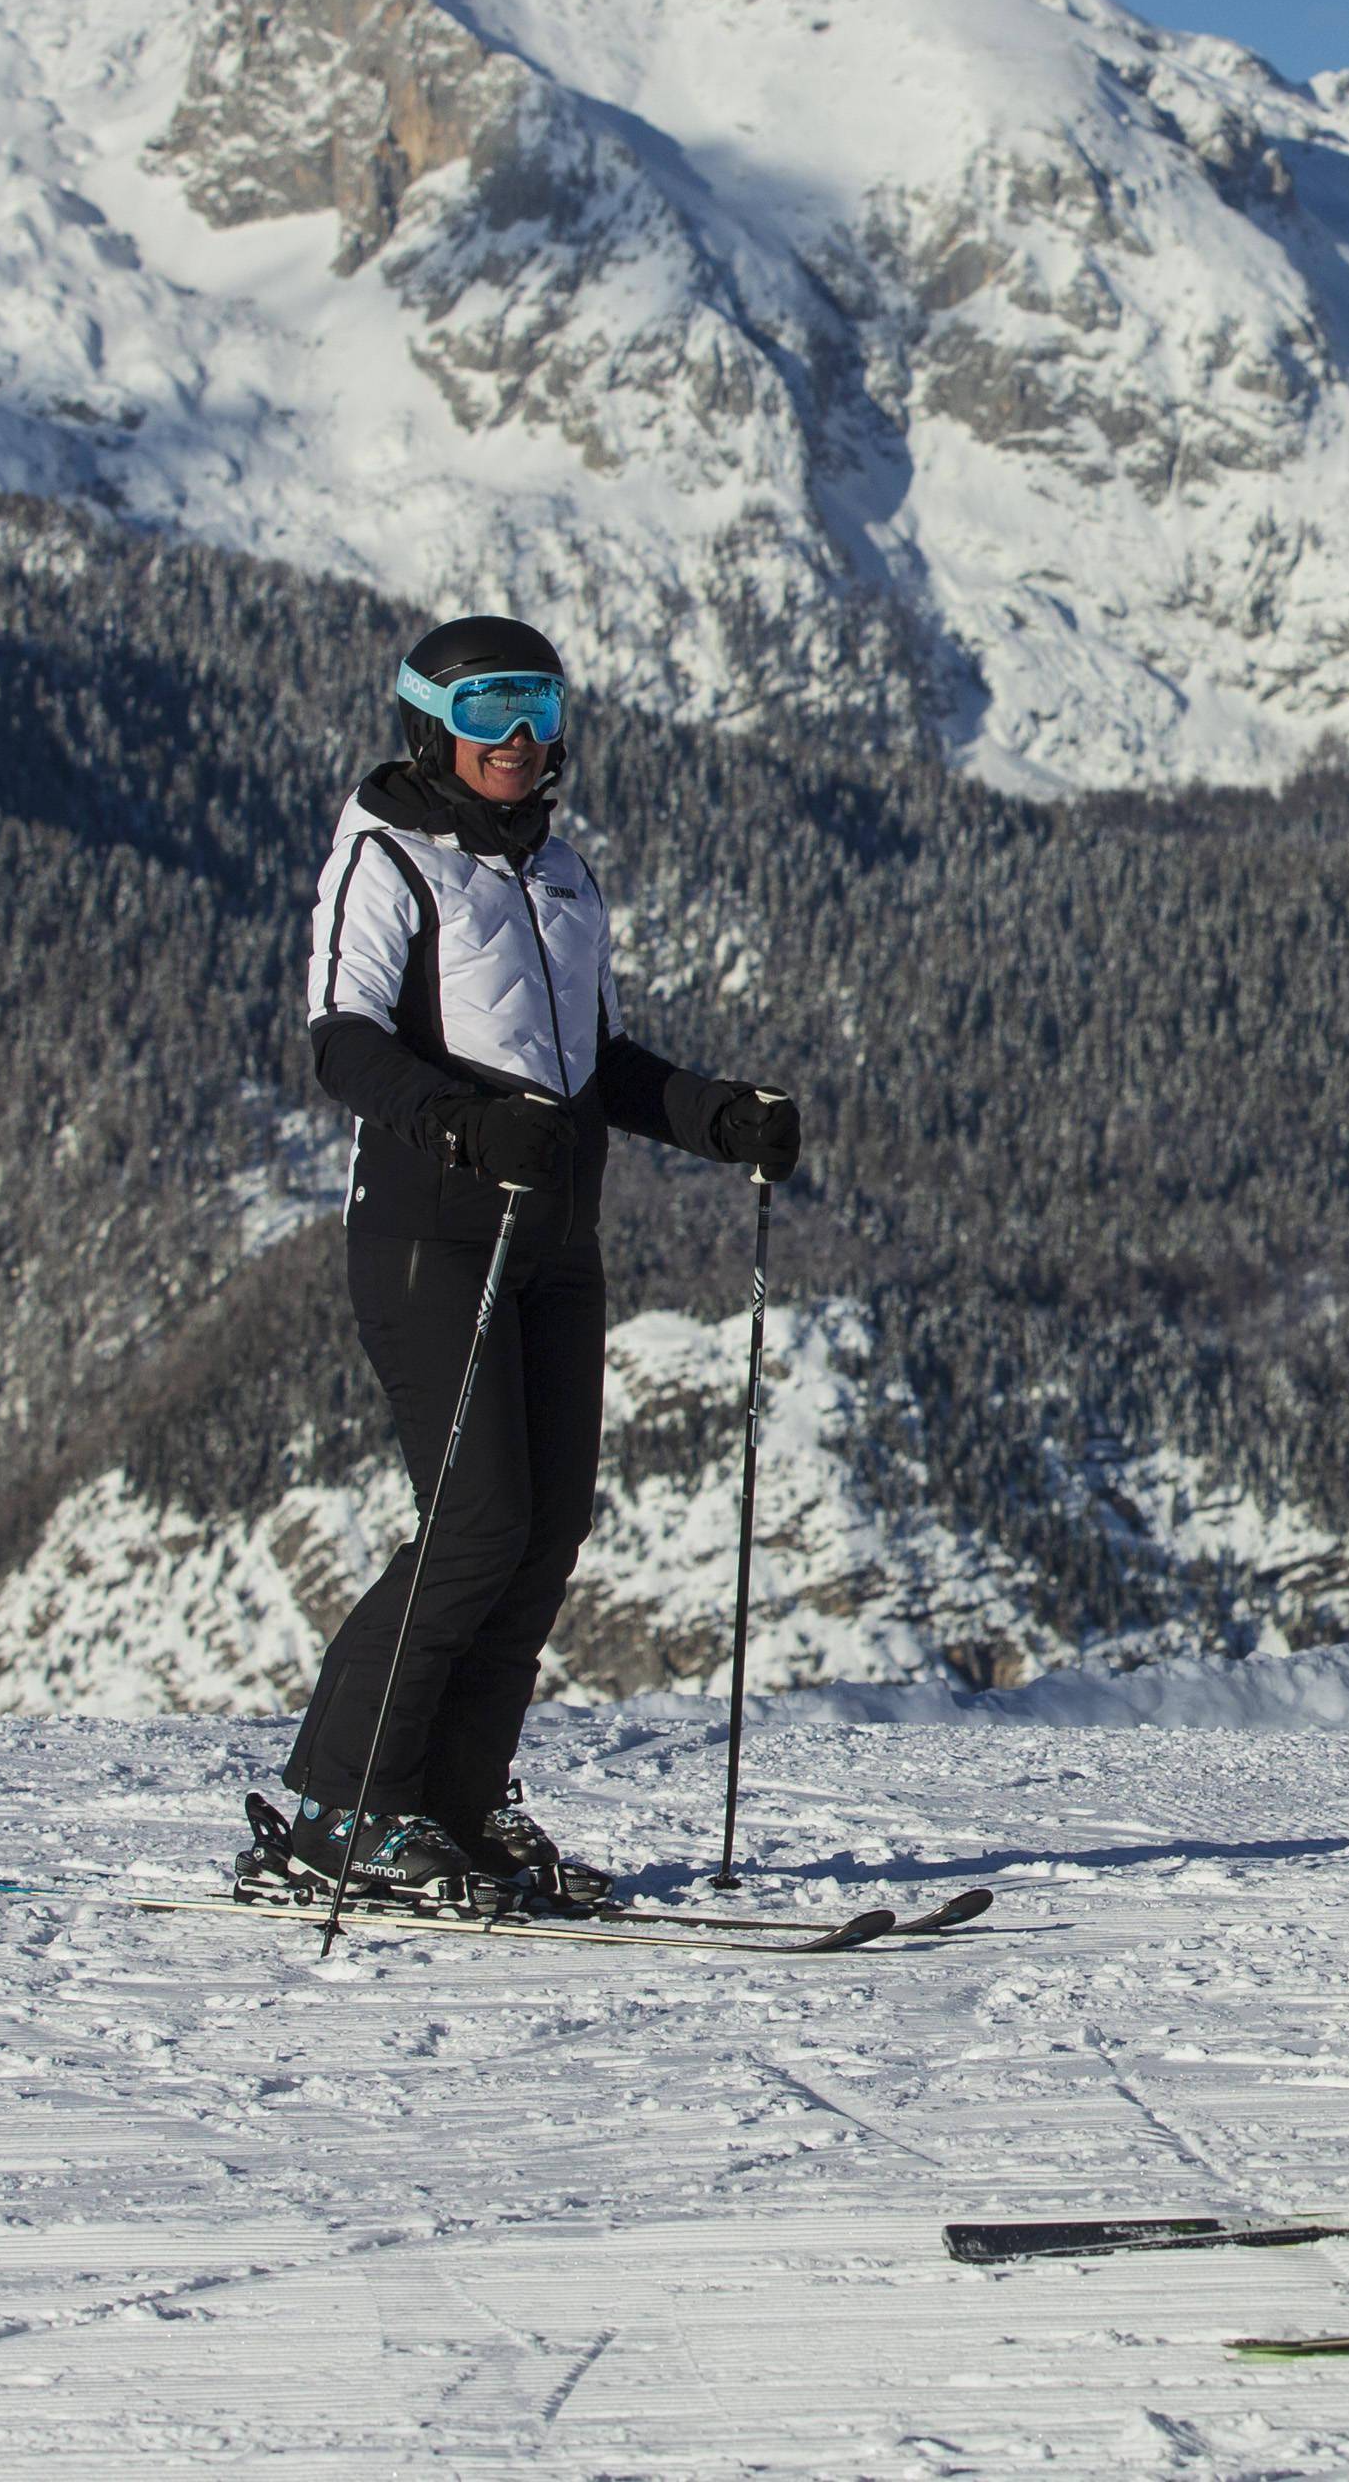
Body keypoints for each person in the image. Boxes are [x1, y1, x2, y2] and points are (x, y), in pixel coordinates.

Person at [269, 615, 805, 1902]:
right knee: (477, 1522)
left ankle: (454, 1797)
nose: (517, 739)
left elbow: (591, 1065)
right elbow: (339, 1041)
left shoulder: (561, 873)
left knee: (548, 1529)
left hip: (559, 1234)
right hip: (431, 1235)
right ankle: (343, 1805)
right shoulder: (385, 859)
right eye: (489, 711)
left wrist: (714, 1115)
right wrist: (457, 1122)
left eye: (541, 710)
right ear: (428, 726)